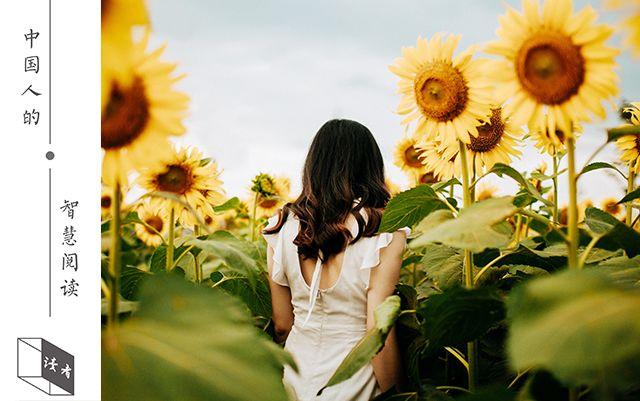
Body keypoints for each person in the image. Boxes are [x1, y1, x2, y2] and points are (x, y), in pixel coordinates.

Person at [263, 119, 409, 401]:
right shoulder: (384, 229)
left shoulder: (281, 226)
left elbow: (282, 324)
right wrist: (402, 394)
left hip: (296, 377)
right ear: (371, 166)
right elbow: (377, 332)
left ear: (314, 165)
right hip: (356, 381)